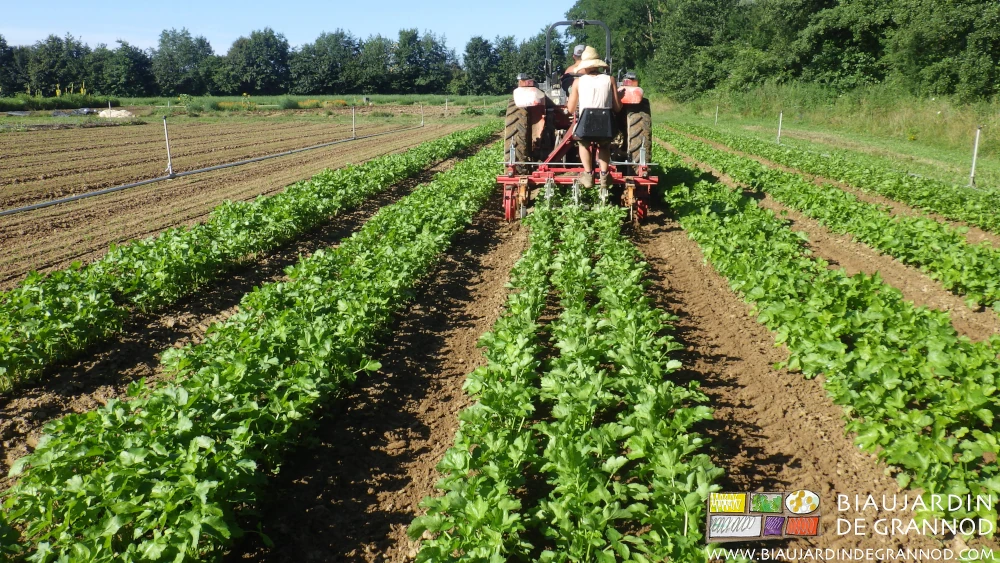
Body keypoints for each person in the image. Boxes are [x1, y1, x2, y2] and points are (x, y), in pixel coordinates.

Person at [566, 46, 622, 188]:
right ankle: (604, 175)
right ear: (598, 65)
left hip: (586, 122)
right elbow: (617, 107)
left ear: (585, 67)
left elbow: (570, 108)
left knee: (583, 144)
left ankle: (588, 175)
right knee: (604, 145)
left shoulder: (578, 82)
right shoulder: (610, 79)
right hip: (606, 122)